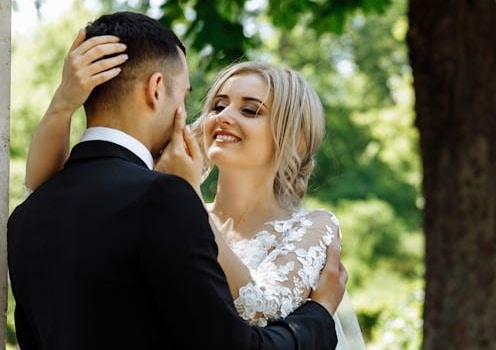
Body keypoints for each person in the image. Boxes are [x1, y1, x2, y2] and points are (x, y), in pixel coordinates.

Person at [9, 11, 346, 350]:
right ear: (158, 90)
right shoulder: (165, 200)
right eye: (217, 105)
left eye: (250, 110)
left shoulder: (311, 228)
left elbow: (45, 192)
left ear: (295, 139)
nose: (223, 116)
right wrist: (320, 313)